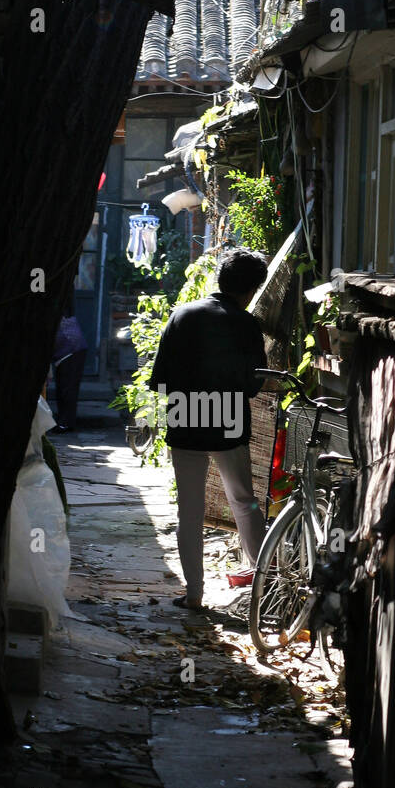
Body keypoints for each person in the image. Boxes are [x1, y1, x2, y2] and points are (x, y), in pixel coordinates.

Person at [149, 247, 269, 610]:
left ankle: (195, 595)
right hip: (227, 421)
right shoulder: (246, 324)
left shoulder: (181, 314)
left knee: (189, 509)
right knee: (244, 502)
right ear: (251, 291)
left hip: (184, 419)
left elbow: (159, 381)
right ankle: (265, 588)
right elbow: (253, 385)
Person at [49, 296, 87, 433]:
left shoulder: (53, 316)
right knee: (63, 389)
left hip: (72, 349)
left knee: (67, 389)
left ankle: (65, 423)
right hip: (67, 350)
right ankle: (64, 421)